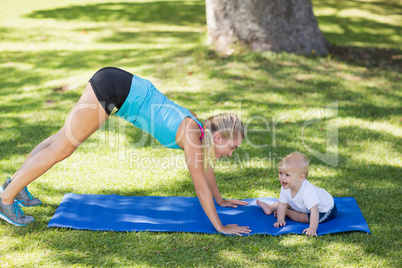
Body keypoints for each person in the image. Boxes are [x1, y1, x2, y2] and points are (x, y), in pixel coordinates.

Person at [0, 67, 251, 236]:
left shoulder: (200, 129)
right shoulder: (193, 139)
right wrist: (220, 226)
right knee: (62, 149)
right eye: (232, 147)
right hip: (114, 90)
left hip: (118, 84)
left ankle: (17, 185)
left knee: (59, 141)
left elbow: (206, 169)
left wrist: (220, 200)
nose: (231, 153)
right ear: (218, 136)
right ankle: (6, 199)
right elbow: (199, 187)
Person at [257, 152, 337, 236]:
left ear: (301, 177)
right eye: (281, 173)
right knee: (286, 201)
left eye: (287, 175)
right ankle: (270, 208)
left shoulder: (307, 192)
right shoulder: (286, 185)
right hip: (305, 204)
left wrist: (312, 229)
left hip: (324, 210)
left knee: (302, 217)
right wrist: (280, 219)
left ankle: (288, 212)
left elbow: (315, 211)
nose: (282, 178)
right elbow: (282, 204)